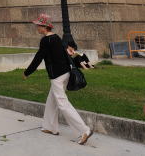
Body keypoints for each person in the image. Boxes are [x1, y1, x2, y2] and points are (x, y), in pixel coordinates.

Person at [23, 14, 93, 145]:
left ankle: (84, 130)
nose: (37, 28)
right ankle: (50, 127)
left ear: (44, 27)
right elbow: (65, 53)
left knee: (62, 103)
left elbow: (38, 58)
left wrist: (27, 72)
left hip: (57, 76)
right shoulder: (56, 37)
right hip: (65, 74)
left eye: (38, 25)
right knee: (52, 100)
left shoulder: (46, 41)